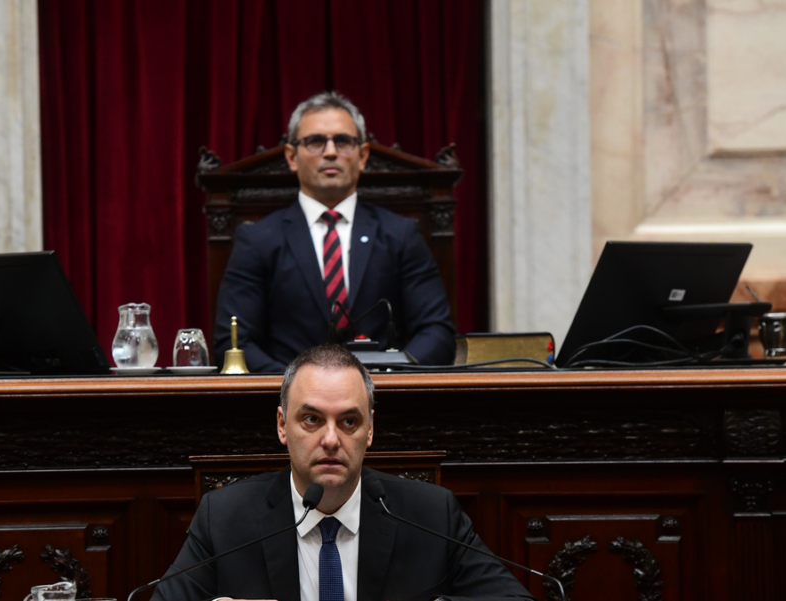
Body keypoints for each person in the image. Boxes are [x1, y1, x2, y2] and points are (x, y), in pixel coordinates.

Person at [152, 344, 534, 601]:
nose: (331, 439)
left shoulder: (431, 514)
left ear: (370, 430)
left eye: (349, 421)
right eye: (312, 419)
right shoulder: (224, 519)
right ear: (283, 426)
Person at [213, 92, 456, 372]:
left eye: (343, 141)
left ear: (363, 155)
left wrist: (389, 377)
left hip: (384, 400)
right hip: (289, 404)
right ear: (291, 157)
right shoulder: (258, 240)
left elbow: (436, 331)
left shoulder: (401, 234)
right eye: (316, 141)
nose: (330, 152)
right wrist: (297, 388)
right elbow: (233, 344)